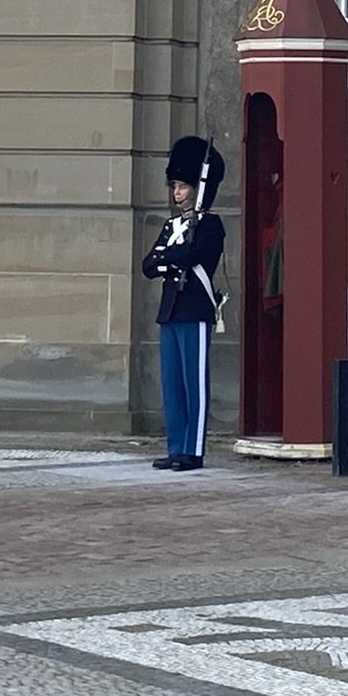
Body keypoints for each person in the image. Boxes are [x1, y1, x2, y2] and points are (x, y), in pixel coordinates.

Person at [142, 134, 225, 472]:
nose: (177, 193)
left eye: (182, 186)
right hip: (171, 311)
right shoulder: (171, 225)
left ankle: (193, 450)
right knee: (173, 384)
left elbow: (192, 254)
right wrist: (171, 258)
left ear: (197, 188)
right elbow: (149, 265)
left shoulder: (210, 224)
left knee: (195, 384)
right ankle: (176, 446)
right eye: (174, 186)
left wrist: (171, 257)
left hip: (195, 309)